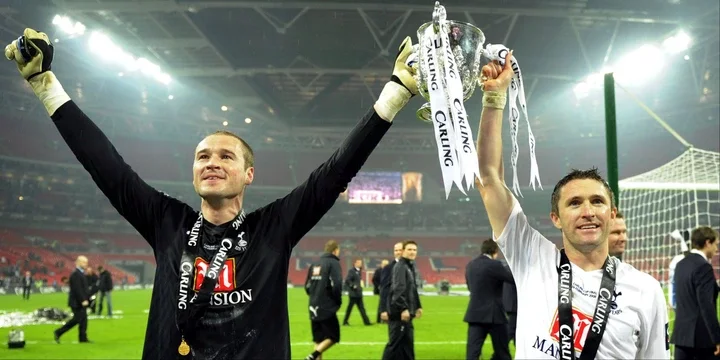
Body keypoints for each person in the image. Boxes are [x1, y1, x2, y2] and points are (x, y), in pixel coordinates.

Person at [5, 28, 419, 359]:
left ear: (249, 174)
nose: (212, 162)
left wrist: (396, 91)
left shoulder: (273, 228)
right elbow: (105, 165)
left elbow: (336, 172)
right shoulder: (166, 221)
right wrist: (44, 84)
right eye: (203, 155)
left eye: (226, 156)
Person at [474, 53, 670, 359]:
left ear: (612, 214)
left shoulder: (646, 290)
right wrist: (494, 98)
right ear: (556, 217)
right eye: (574, 203)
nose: (588, 211)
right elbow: (488, 178)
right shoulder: (532, 259)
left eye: (597, 202)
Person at [670, 226, 720, 359]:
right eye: (716, 244)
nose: (716, 249)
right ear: (707, 242)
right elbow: (706, 305)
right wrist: (716, 338)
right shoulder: (704, 267)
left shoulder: (680, 264)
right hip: (701, 341)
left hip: (681, 337)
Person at [464, 239, 515, 360]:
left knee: (473, 352)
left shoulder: (470, 265)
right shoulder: (495, 265)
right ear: (495, 251)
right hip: (494, 315)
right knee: (502, 352)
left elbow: (470, 287)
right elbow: (512, 279)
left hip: (475, 314)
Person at [382, 240, 422, 360]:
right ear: (403, 251)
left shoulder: (409, 266)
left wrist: (418, 306)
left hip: (407, 313)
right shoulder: (400, 267)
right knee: (394, 346)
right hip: (399, 314)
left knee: (407, 346)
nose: (412, 252)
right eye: (409, 249)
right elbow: (398, 289)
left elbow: (412, 289)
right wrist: (403, 308)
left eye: (414, 250)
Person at [304, 240, 343, 360]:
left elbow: (307, 286)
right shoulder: (333, 263)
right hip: (326, 306)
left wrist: (314, 296)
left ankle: (315, 355)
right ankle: (312, 356)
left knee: (318, 339)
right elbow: (337, 285)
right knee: (333, 336)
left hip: (313, 305)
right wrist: (337, 301)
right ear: (335, 250)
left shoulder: (315, 263)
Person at [54, 256, 90, 343]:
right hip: (77, 302)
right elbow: (77, 289)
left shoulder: (80, 273)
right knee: (77, 319)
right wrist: (83, 300)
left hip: (80, 301)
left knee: (83, 320)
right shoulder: (75, 274)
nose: (86, 264)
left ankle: (83, 338)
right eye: (84, 262)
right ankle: (59, 332)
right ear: (79, 262)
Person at [379, 242, 404, 323]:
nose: (398, 252)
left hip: (407, 309)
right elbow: (384, 289)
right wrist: (383, 309)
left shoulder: (410, 266)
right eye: (396, 250)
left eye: (400, 250)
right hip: (393, 308)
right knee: (395, 334)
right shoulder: (388, 268)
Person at [343, 258, 372, 326]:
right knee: (350, 309)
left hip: (358, 293)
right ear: (355, 263)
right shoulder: (351, 271)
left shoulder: (359, 271)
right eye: (359, 263)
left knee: (362, 309)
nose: (360, 264)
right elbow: (347, 280)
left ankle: (367, 322)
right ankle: (345, 322)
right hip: (353, 294)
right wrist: (353, 286)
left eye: (361, 263)